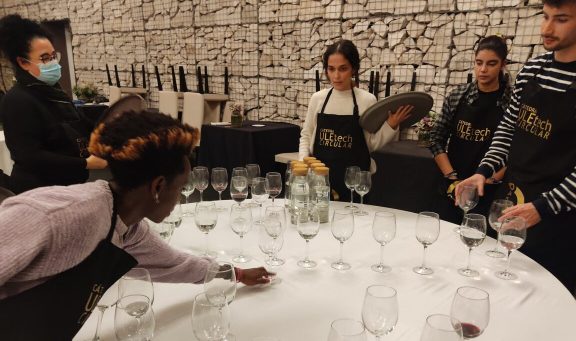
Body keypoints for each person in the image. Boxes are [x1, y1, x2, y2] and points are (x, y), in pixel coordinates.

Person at [0, 109, 273, 339]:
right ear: (158, 186)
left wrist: (234, 273)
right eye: (179, 189)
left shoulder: (125, 225)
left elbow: (175, 264)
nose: (179, 199)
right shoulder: (57, 215)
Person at [456, 0, 576, 291]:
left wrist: (543, 207)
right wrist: (483, 171)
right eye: (545, 17)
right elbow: (509, 129)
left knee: (544, 299)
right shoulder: (532, 70)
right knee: (498, 289)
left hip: (557, 218)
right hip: (510, 203)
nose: (547, 28)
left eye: (561, 19)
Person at [0, 15, 107, 194]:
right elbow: (29, 156)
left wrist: (110, 128)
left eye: (53, 56)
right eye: (44, 58)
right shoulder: (17, 101)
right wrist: (85, 163)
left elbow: (79, 123)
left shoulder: (53, 92)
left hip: (69, 186)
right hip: (41, 192)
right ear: (23, 62)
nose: (53, 63)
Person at [299, 39, 413, 201]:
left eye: (343, 69)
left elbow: (370, 144)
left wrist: (391, 125)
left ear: (354, 69)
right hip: (320, 181)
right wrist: (304, 162)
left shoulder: (367, 100)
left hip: (355, 183)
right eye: (331, 69)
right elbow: (307, 135)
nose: (336, 76)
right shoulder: (318, 99)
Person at [429, 36, 512, 225]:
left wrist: (488, 181)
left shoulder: (511, 102)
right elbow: (436, 139)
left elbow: (514, 150)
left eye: (491, 64)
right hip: (452, 185)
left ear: (503, 64)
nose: (483, 70)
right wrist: (453, 178)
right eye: (479, 63)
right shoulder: (458, 96)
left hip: (489, 190)